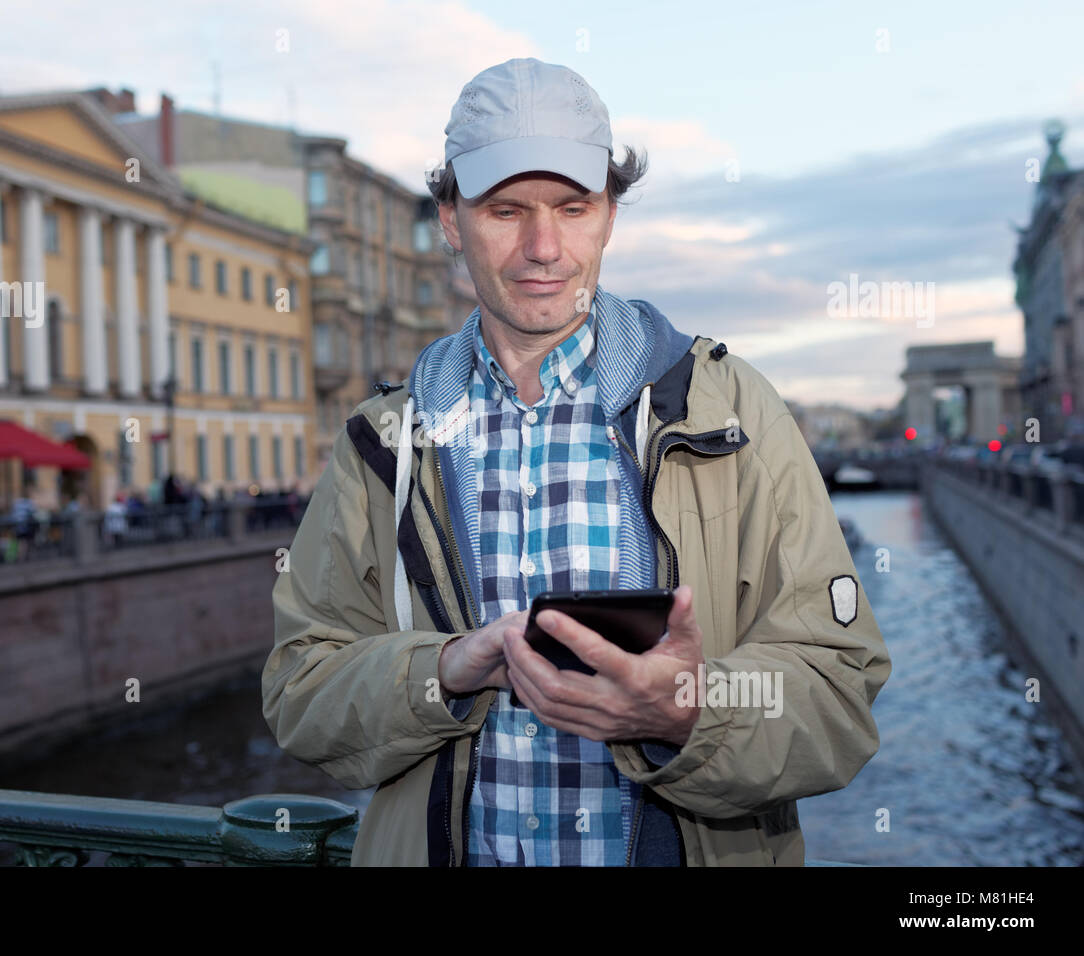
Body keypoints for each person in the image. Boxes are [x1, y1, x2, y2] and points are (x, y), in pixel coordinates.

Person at [263, 58, 891, 867]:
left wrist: (685, 708)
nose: (543, 247)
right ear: (451, 220)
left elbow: (839, 699)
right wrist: (447, 669)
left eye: (572, 206)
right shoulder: (382, 440)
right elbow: (300, 693)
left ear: (609, 217)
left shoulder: (730, 410)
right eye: (505, 210)